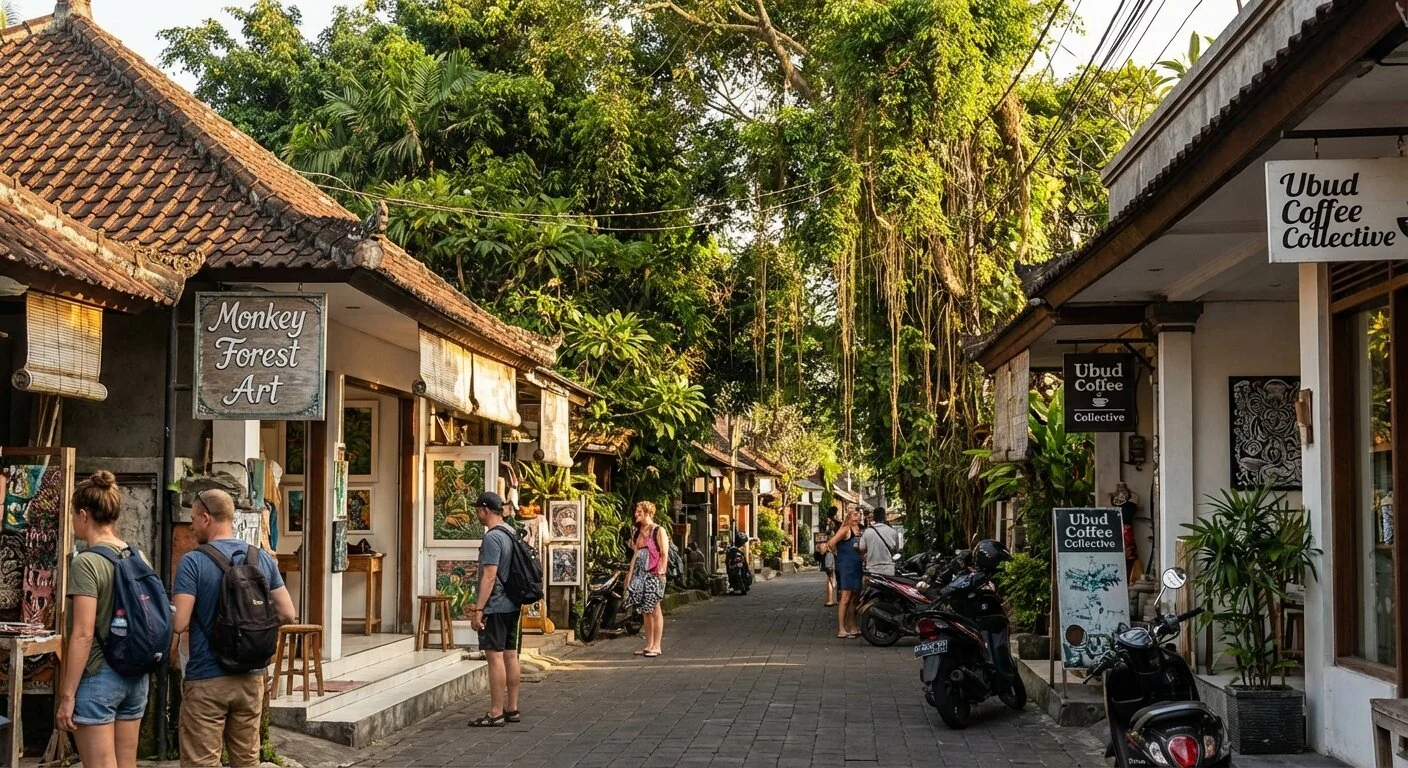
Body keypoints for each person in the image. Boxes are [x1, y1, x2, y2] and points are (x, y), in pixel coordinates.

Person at [172, 489, 296, 767]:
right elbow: (288, 613)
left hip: (207, 678)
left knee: (201, 762)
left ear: (206, 518)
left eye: (193, 519)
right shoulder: (261, 558)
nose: (191, 526)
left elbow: (179, 622)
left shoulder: (193, 561)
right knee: (247, 760)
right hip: (252, 677)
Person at [56, 472, 149, 768]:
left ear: (83, 515)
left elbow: (83, 634)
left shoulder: (86, 562)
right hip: (136, 676)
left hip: (99, 678)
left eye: (73, 514)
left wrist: (67, 695)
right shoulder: (137, 556)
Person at [468, 492, 522, 727]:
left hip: (496, 604)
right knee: (511, 655)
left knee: (495, 656)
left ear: (485, 510)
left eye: (477, 510)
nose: (476, 514)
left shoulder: (492, 538)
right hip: (512, 603)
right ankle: (512, 708)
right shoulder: (511, 532)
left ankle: (495, 712)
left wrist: (479, 609)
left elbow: (489, 576)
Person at [625, 501, 669, 658]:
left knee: (654, 608)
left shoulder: (658, 530)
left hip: (654, 573)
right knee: (645, 609)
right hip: (640, 573)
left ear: (648, 513)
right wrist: (629, 576)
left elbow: (664, 553)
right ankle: (649, 644)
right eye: (636, 511)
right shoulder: (637, 532)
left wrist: (661, 573)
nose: (636, 514)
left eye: (640, 512)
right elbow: (635, 555)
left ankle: (657, 645)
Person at [827, 509, 864, 638]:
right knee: (845, 597)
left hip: (857, 565)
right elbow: (831, 543)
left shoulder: (860, 530)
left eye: (859, 514)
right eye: (854, 514)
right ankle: (842, 628)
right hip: (846, 566)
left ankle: (852, 626)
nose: (857, 516)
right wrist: (838, 554)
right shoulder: (845, 529)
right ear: (848, 516)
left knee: (855, 597)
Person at [859, 507, 903, 576]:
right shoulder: (893, 532)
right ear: (884, 517)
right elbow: (896, 550)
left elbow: (861, 548)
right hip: (889, 570)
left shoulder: (867, 532)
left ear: (874, 517)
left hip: (872, 569)